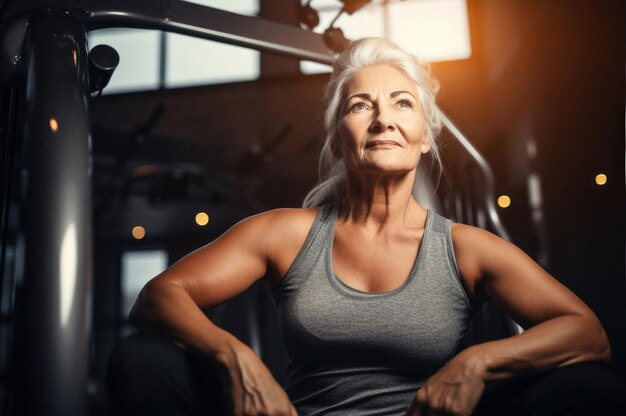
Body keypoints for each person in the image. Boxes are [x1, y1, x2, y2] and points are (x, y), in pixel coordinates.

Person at [107, 38, 625, 415]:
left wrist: (479, 363)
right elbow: (157, 296)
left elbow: (588, 333)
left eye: (403, 103)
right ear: (339, 140)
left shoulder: (465, 249)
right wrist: (236, 358)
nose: (383, 118)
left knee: (590, 387)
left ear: (425, 138)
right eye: (361, 105)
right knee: (144, 361)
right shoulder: (284, 234)